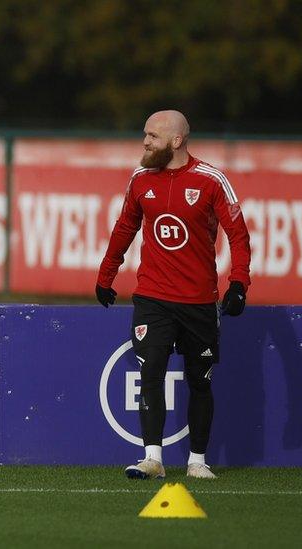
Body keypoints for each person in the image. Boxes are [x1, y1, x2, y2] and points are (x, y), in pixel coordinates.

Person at [95, 110, 251, 480]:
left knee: (200, 380)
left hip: (198, 301)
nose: (145, 141)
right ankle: (152, 458)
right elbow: (124, 227)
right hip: (153, 297)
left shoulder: (211, 180)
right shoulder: (140, 178)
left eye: (152, 135)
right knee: (151, 374)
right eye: (144, 134)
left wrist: (240, 283)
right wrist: (106, 274)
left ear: (176, 141)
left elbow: (238, 234)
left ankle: (197, 461)